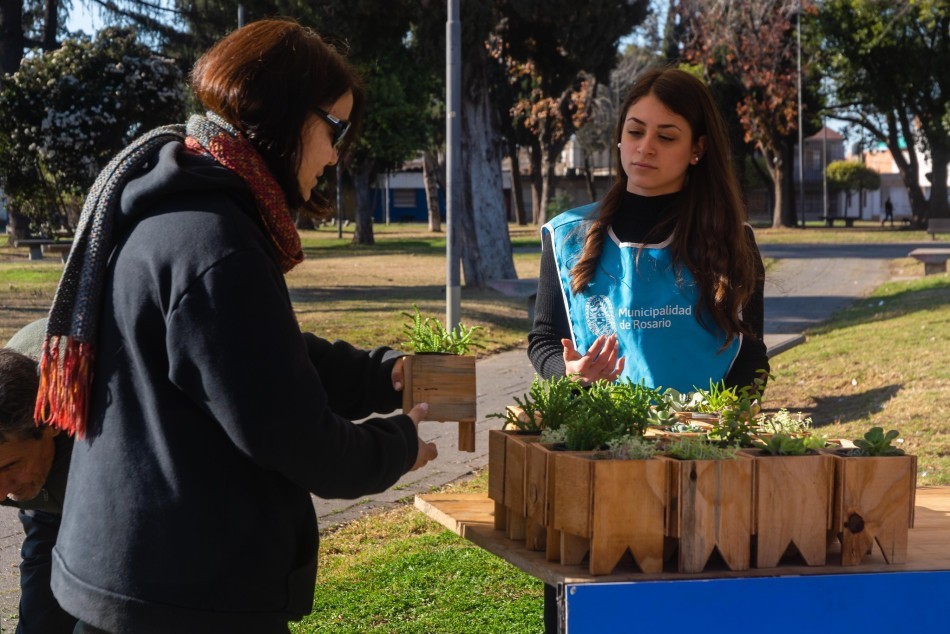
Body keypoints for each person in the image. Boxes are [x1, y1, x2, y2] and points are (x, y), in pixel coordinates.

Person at [35, 19, 437, 633]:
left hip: (130, 571)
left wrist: (383, 376)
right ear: (286, 116)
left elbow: (247, 355)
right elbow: (294, 434)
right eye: (335, 128)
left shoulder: (174, 206)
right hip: (183, 599)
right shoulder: (217, 243)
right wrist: (398, 445)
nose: (335, 153)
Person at [527, 67, 770, 632]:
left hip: (701, 479)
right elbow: (543, 341)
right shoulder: (568, 236)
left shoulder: (731, 240)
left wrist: (717, 438)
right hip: (596, 470)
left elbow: (751, 358)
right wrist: (567, 371)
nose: (645, 147)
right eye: (635, 131)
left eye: (666, 136)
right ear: (618, 137)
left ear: (696, 149)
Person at [0, 319, 76, 634]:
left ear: (49, 423)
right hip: (48, 493)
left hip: (103, 487)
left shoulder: (108, 434)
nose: (0, 493)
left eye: (8, 467)